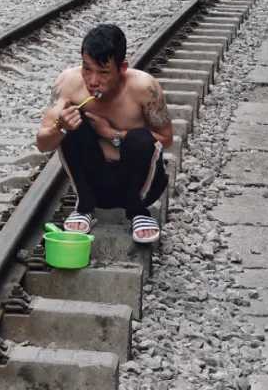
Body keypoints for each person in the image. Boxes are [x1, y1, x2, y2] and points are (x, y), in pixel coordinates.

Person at [35, 24, 173, 244]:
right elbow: (43, 143)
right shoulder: (69, 83)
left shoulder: (144, 88)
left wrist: (113, 134)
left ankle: (138, 212)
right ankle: (85, 207)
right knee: (72, 124)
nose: (92, 80)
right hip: (96, 184)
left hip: (139, 185)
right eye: (87, 69)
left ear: (122, 68)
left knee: (140, 137)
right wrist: (61, 127)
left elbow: (166, 139)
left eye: (103, 72)